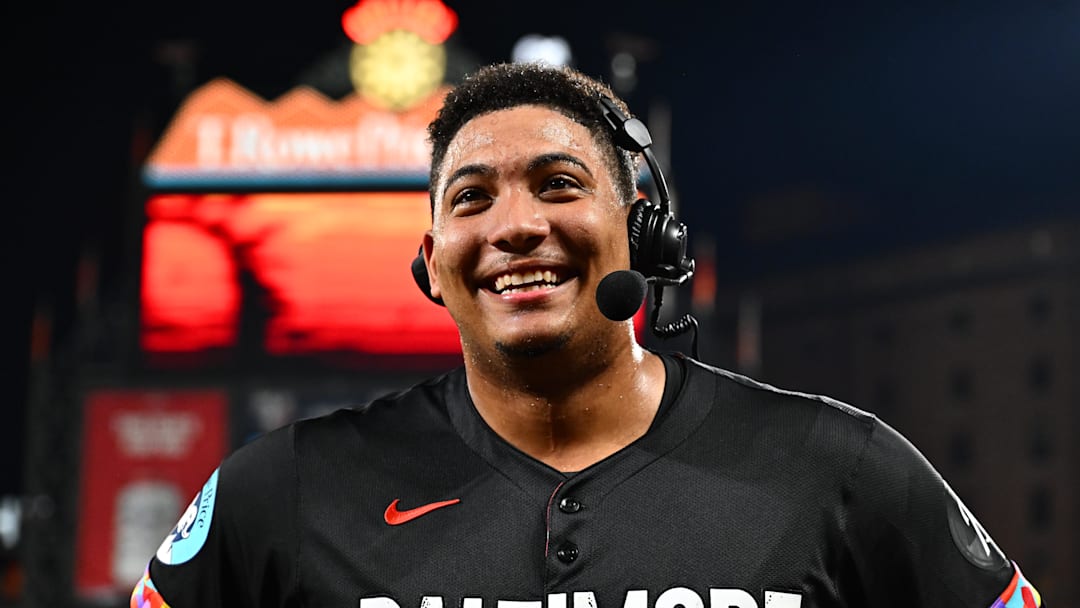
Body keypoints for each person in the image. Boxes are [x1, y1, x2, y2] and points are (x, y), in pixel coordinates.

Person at [131, 62, 1044, 608]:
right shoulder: (283, 490)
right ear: (432, 264)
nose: (516, 226)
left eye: (558, 184)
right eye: (472, 198)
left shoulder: (841, 467)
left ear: (644, 232)